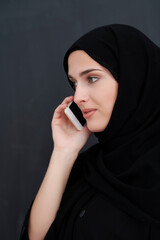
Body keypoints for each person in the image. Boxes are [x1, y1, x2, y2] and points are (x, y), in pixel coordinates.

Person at [20, 24, 160, 239]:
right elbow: (37, 237)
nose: (78, 98)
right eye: (74, 84)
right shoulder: (91, 168)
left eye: (92, 78)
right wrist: (63, 151)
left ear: (133, 77)